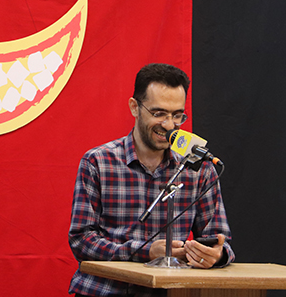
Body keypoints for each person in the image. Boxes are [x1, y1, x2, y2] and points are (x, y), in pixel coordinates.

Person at [68, 63, 235, 297]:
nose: (169, 125)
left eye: (177, 115)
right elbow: (81, 240)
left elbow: (220, 241)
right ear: (134, 107)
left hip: (168, 292)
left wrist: (216, 255)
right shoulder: (98, 162)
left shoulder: (200, 169)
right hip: (104, 291)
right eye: (158, 114)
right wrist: (144, 251)